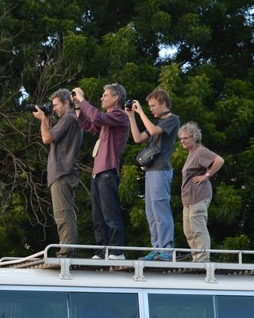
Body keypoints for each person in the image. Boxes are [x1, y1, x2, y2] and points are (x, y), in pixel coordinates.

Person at [73, 83, 130, 259]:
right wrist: (77, 106)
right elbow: (90, 125)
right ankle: (100, 251)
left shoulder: (120, 115)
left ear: (115, 98)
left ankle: (115, 251)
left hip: (108, 171)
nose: (101, 98)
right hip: (97, 173)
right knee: (98, 217)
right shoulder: (107, 119)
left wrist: (83, 99)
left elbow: (96, 118)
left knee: (110, 214)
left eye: (105, 95)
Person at [127, 89, 180, 260]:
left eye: (153, 106)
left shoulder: (172, 119)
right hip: (150, 171)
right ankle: (157, 247)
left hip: (161, 170)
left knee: (160, 209)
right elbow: (137, 138)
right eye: (148, 107)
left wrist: (141, 111)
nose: (151, 109)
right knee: (151, 212)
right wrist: (131, 116)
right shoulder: (156, 122)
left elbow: (153, 130)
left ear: (164, 103)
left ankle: (167, 249)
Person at [33, 89, 83, 256]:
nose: (53, 109)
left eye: (56, 105)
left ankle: (67, 250)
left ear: (67, 103)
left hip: (62, 172)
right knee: (63, 213)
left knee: (63, 214)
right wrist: (47, 119)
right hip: (64, 172)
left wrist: (42, 120)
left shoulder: (68, 119)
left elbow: (46, 138)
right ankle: (67, 248)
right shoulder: (70, 120)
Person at [178, 122, 224, 262]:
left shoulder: (200, 151)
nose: (183, 141)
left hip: (198, 196)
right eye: (181, 139)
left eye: (185, 138)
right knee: (189, 231)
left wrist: (206, 175)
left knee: (198, 228)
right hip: (188, 199)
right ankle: (197, 258)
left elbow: (219, 160)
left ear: (194, 137)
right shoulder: (191, 153)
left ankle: (203, 259)